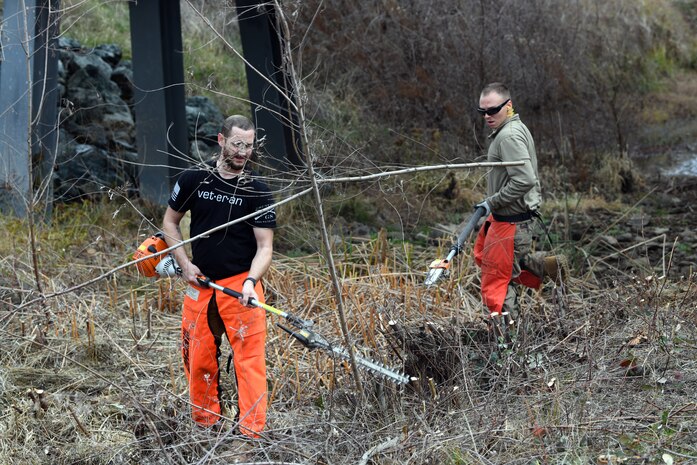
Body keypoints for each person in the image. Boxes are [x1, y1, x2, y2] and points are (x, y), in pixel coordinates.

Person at [162, 115, 276, 437]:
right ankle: (205, 426)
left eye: (249, 146)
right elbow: (169, 223)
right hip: (200, 282)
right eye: (237, 144)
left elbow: (265, 247)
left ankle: (250, 436)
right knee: (196, 357)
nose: (242, 152)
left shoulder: (258, 190)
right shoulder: (194, 179)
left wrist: (251, 283)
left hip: (240, 287)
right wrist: (184, 264)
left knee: (249, 363)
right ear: (221, 140)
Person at [472, 83, 565, 333]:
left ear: (508, 105)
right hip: (509, 218)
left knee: (497, 281)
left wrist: (492, 201)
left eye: (493, 110)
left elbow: (525, 179)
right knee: (491, 260)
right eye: (482, 112)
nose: (487, 116)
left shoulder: (509, 136)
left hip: (513, 221)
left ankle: (508, 344)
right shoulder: (509, 129)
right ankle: (545, 267)